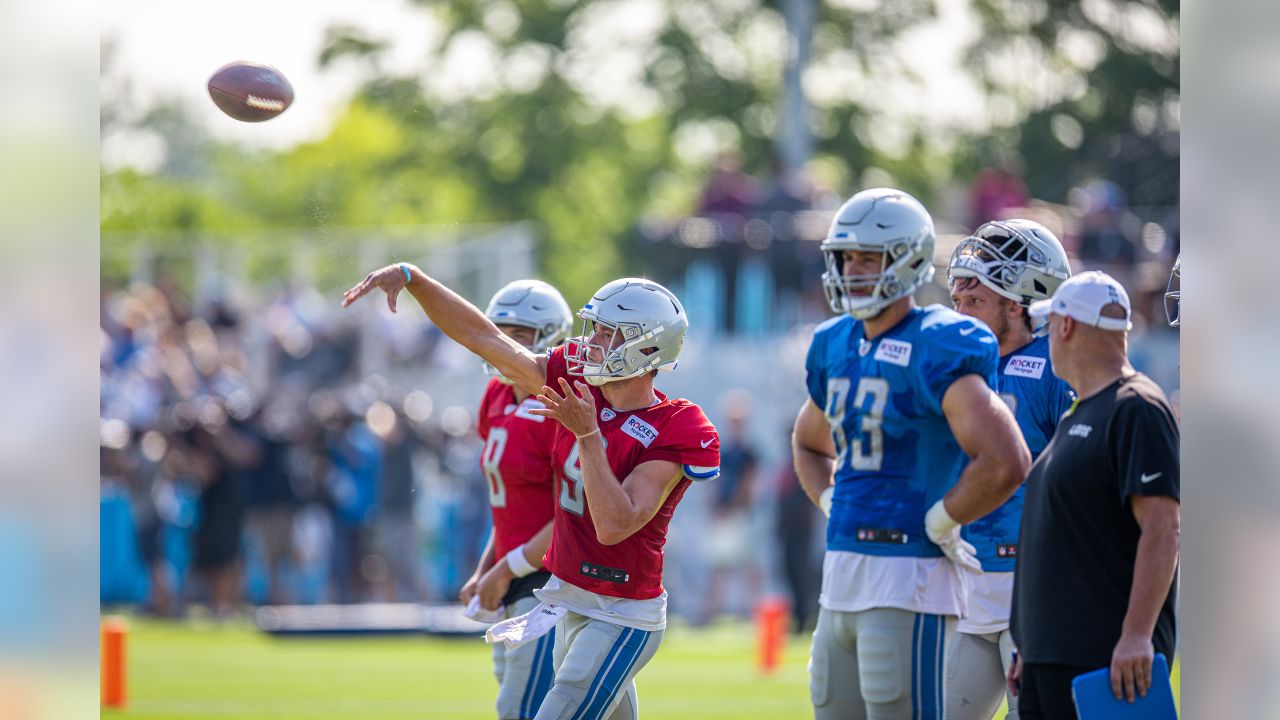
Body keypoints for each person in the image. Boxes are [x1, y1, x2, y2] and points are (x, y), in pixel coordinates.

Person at [342, 268, 719, 720]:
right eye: (593, 327)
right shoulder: (574, 383)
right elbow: (486, 339)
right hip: (567, 596)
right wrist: (415, 280)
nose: (591, 341)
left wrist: (588, 435)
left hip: (621, 612)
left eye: (607, 332)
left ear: (647, 346)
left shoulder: (676, 424)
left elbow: (616, 524)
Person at [791, 187, 1032, 719]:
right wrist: (832, 502)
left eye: (868, 257)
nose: (854, 269)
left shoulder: (939, 341)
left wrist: (943, 519)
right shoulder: (834, 342)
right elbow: (808, 442)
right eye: (846, 256)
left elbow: (1007, 458)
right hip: (842, 570)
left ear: (908, 260)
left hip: (910, 574)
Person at [1008, 272, 1180, 719]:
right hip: (1050, 657)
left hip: (1100, 663)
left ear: (1065, 326)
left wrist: (1137, 634)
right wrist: (1031, 643)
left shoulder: (1136, 407)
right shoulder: (1080, 412)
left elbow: (1163, 529)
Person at [943, 220, 1075, 719]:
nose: (961, 314)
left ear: (1017, 303)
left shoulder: (1057, 366)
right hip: (969, 582)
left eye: (975, 302)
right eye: (958, 301)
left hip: (1035, 583)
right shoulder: (956, 364)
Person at [458, 279, 573, 720]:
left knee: (521, 709)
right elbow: (509, 508)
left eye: (519, 335)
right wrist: (487, 567)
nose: (504, 345)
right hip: (515, 573)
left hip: (550, 578)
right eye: (498, 331)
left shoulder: (559, 405)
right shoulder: (496, 397)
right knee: (518, 699)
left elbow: (572, 513)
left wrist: (505, 570)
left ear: (550, 337)